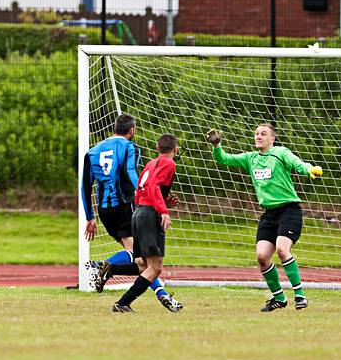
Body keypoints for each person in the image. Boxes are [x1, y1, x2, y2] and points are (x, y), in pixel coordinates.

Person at [206, 124, 323, 312]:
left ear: (272, 139)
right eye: (256, 134)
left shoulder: (280, 152)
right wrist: (217, 145)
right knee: (262, 257)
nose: (258, 136)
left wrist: (310, 169)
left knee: (283, 250)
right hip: (269, 214)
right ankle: (279, 298)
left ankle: (300, 295)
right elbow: (224, 159)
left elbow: (297, 163)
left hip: (289, 211)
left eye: (263, 134)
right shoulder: (250, 158)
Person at [80, 113, 173, 310]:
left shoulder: (93, 152)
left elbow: (85, 186)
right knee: (141, 258)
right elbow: (130, 172)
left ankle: (161, 294)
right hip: (126, 205)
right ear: (132, 130)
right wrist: (147, 198)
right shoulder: (130, 147)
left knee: (138, 258)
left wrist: (90, 217)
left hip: (105, 210)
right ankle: (104, 267)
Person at [98, 134, 183, 313]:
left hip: (138, 213)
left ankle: (110, 269)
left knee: (143, 264)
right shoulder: (169, 163)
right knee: (155, 267)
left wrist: (157, 205)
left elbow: (142, 192)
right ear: (175, 149)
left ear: (156, 147)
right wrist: (163, 211)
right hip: (149, 216)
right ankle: (122, 303)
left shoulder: (150, 164)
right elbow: (153, 187)